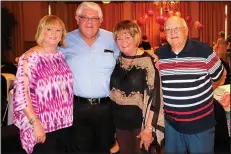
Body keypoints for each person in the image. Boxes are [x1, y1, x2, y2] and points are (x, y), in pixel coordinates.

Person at [155, 16, 227, 153]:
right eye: (168, 29)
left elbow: (221, 75)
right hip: (172, 125)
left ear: (186, 31)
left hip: (201, 125)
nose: (172, 33)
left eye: (176, 29)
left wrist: (209, 89)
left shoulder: (204, 51)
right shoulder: (160, 54)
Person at [59, 2, 120, 153]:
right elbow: (46, 54)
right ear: (77, 19)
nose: (89, 22)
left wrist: (150, 57)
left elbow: (129, 57)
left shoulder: (113, 39)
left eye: (94, 18)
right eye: (85, 17)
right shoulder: (64, 41)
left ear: (101, 20)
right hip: (76, 108)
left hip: (106, 109)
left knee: (105, 149)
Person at [13, 15, 74, 154]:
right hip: (42, 124)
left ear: (62, 35)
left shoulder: (60, 56)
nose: (54, 33)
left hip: (62, 123)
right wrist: (35, 123)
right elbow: (21, 94)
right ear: (41, 31)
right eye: (49, 29)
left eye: (58, 30)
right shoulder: (30, 57)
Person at [110, 20, 164, 154]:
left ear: (136, 37)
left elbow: (156, 97)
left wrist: (149, 128)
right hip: (119, 122)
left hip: (140, 124)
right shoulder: (116, 59)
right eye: (119, 38)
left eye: (127, 37)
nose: (123, 42)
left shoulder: (148, 61)